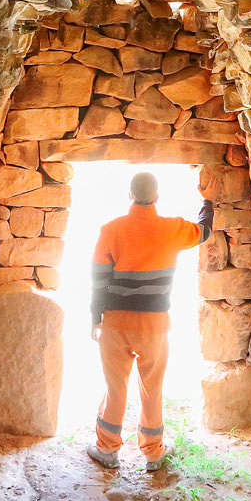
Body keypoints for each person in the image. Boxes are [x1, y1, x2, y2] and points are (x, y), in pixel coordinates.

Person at [86, 170, 213, 471]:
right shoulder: (172, 229)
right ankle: (153, 453)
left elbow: (98, 281)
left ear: (130, 196)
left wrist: (95, 318)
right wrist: (208, 200)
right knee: (152, 389)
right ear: (157, 197)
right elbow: (204, 231)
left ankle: (107, 450)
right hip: (155, 327)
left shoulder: (110, 230)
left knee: (115, 389)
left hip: (116, 325)